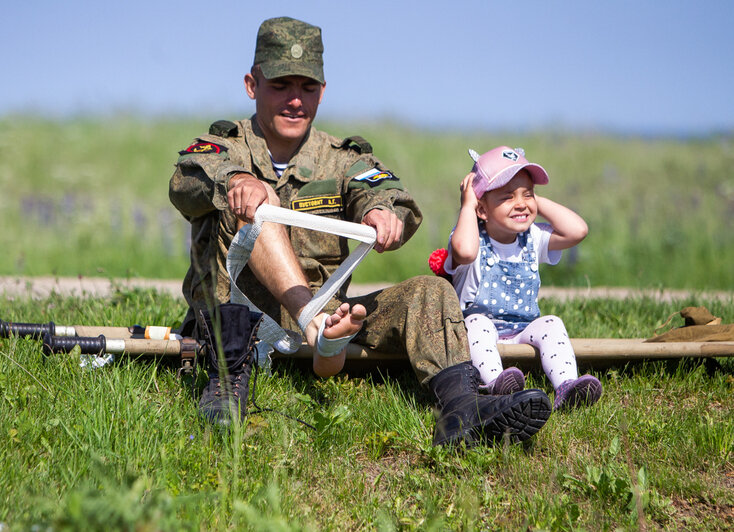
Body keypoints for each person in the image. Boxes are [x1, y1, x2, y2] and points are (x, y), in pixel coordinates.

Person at [168, 16, 552, 446]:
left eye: (308, 88)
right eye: (281, 85)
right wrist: (237, 182)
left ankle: (462, 408)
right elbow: (185, 182)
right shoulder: (224, 147)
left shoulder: (341, 159)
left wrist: (382, 213)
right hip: (236, 329)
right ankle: (231, 381)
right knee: (255, 208)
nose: (296, 100)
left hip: (334, 326)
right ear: (251, 84)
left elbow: (390, 195)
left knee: (430, 291)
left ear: (323, 91)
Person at [443, 146, 602, 410]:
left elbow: (578, 231)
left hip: (521, 330)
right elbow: (465, 251)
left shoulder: (533, 238)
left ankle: (566, 387)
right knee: (477, 322)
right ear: (482, 209)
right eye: (508, 196)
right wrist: (468, 206)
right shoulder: (470, 236)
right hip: (475, 332)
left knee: (551, 322)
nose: (520, 203)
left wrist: (534, 202)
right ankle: (495, 384)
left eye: (527, 194)